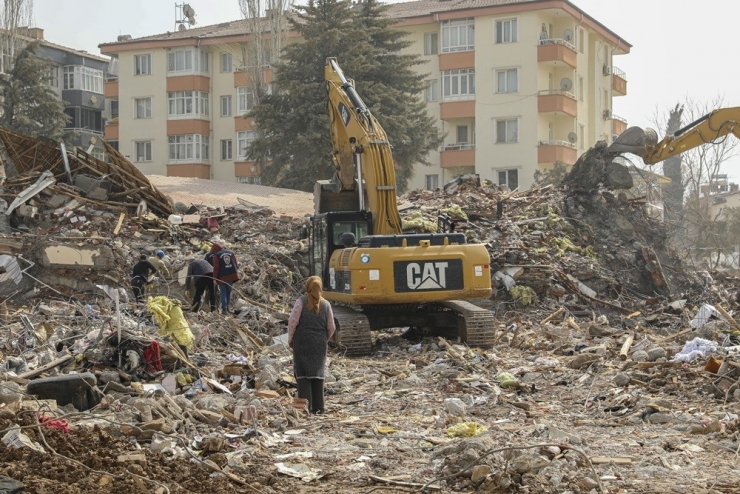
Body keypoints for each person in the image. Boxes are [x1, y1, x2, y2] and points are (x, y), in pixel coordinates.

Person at [287, 276, 336, 414]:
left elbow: (293, 322)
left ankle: (305, 407)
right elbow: (331, 327)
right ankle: (318, 407)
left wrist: (291, 339)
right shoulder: (326, 305)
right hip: (319, 343)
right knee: (317, 373)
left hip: (302, 341)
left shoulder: (300, 302)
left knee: (303, 373)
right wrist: (323, 338)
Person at [211, 243, 240, 314]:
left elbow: (216, 268)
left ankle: (224, 310)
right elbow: (236, 264)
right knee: (228, 292)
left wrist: (214, 278)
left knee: (223, 292)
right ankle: (228, 308)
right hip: (231, 275)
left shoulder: (216, 255)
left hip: (222, 277)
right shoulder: (230, 253)